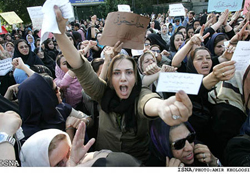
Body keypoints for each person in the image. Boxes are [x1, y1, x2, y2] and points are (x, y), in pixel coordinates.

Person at [53, 5, 193, 164]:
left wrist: (162, 108)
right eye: (117, 73)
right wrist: (60, 34)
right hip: (104, 162)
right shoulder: (102, 92)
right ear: (110, 79)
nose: (123, 78)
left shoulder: (141, 95)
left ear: (136, 78)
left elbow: (149, 103)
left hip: (138, 163)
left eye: (129, 72)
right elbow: (80, 66)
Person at [150, 119, 221, 167]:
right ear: (164, 147)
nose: (189, 148)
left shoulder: (200, 151)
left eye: (190, 138)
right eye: (179, 144)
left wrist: (214, 163)